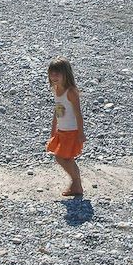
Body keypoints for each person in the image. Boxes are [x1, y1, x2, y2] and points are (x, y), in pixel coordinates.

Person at [46, 57, 85, 197]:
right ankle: (76, 185)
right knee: (66, 158)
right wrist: (53, 129)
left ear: (66, 74)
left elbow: (78, 114)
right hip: (61, 131)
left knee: (61, 158)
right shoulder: (56, 89)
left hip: (71, 131)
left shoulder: (71, 92)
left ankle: (76, 183)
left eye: (58, 74)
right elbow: (58, 111)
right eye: (52, 74)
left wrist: (81, 133)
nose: (54, 77)